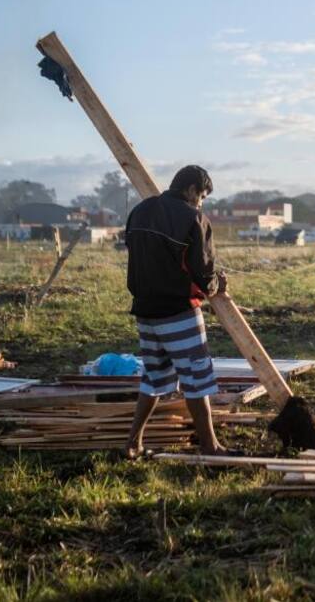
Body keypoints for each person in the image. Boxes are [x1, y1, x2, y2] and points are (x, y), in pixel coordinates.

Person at [122, 165, 226, 459]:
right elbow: (203, 273)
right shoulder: (193, 218)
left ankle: (133, 443)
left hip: (145, 311)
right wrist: (217, 284)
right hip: (178, 312)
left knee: (153, 378)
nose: (201, 203)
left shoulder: (139, 211)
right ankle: (210, 447)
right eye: (201, 196)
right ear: (191, 190)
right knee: (196, 378)